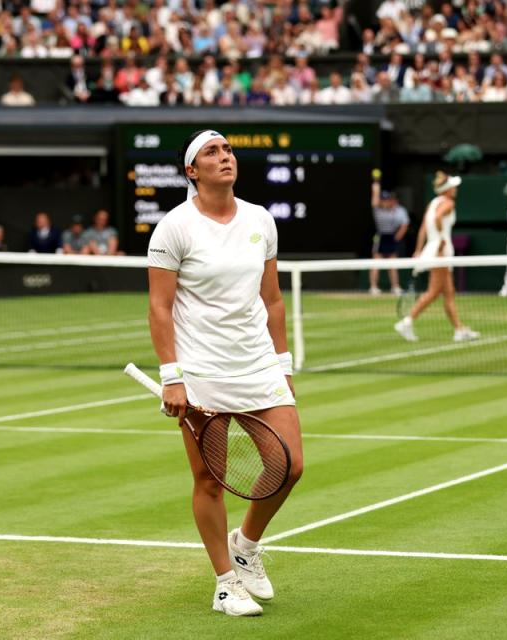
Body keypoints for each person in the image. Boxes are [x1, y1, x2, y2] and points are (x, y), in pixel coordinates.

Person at [147, 129, 303, 617]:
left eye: (227, 150)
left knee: (289, 466)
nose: (224, 157)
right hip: (200, 371)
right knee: (209, 480)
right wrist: (172, 376)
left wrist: (283, 364)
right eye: (211, 153)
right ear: (192, 171)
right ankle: (224, 582)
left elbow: (272, 299)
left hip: (258, 363)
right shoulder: (174, 228)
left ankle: (247, 544)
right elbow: (159, 307)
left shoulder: (260, 219)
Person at [394, 171, 480, 343]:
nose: (455, 189)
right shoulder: (448, 203)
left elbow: (424, 228)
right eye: (453, 187)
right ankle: (407, 321)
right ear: (447, 189)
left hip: (433, 248)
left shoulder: (433, 203)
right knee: (434, 292)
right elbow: (439, 218)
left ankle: (459, 330)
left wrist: (419, 250)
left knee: (448, 293)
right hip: (441, 250)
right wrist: (440, 240)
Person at [368, 177, 409, 296]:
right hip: (380, 237)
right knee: (376, 262)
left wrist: (397, 237)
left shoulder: (397, 210)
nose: (386, 201)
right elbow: (375, 200)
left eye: (388, 199)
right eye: (384, 199)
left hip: (391, 237)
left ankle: (395, 286)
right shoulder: (377, 209)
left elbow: (404, 224)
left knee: (393, 263)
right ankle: (373, 287)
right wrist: (376, 185)